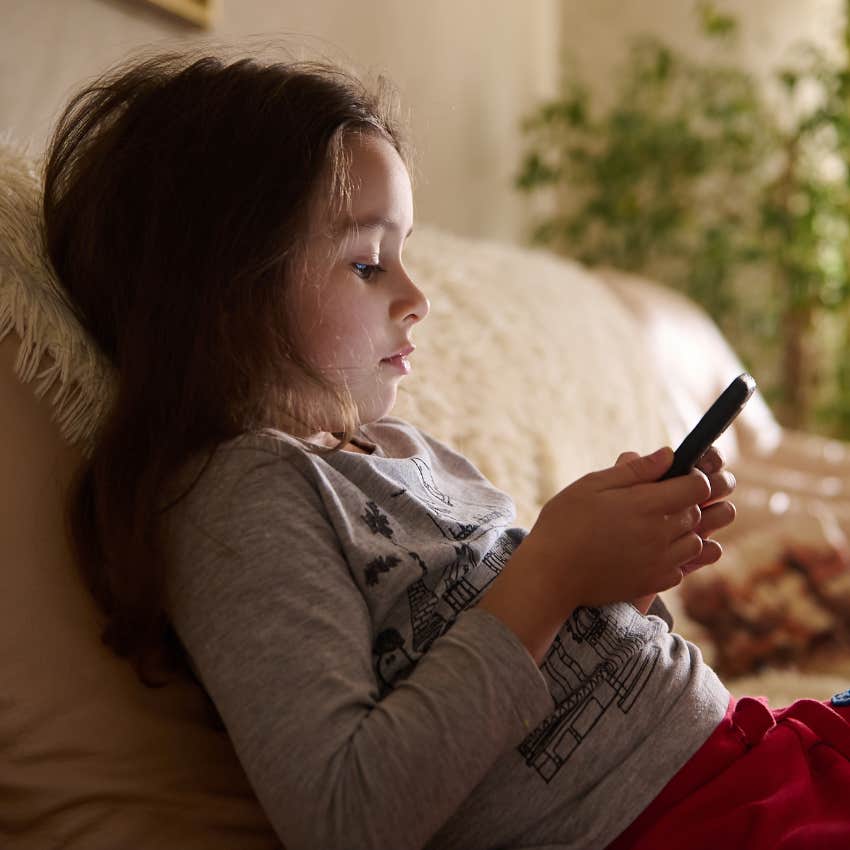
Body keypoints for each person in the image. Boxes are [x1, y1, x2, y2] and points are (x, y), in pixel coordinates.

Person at [41, 49, 850, 850]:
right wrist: (553, 570)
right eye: (367, 262)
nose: (417, 298)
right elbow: (345, 816)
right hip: (690, 819)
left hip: (757, 748)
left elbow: (552, 673)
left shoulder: (404, 449)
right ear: (224, 289)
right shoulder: (239, 497)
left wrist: (620, 577)